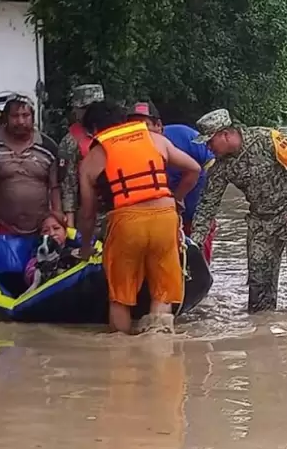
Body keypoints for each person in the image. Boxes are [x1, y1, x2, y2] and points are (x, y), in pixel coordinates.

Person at [76, 101, 201, 334]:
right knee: (163, 290)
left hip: (126, 222)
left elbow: (88, 212)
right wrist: (175, 198)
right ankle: (160, 350)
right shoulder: (155, 139)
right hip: (165, 218)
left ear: (93, 130)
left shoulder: (92, 159)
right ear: (123, 121)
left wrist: (85, 248)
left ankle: (123, 356)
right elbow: (194, 168)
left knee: (120, 297)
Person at [190, 108, 287, 313]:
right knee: (259, 284)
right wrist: (194, 243)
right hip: (261, 221)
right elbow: (207, 206)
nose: (208, 147)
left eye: (210, 141)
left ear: (225, 134)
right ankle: (261, 333)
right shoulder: (220, 168)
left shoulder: (267, 139)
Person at [126, 101, 218, 262]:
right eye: (132, 127)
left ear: (158, 126)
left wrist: (185, 197)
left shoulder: (183, 135)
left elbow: (211, 164)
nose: (139, 132)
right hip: (159, 217)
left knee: (198, 257)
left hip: (195, 211)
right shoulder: (126, 150)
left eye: (145, 125)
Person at [0, 94, 62, 235]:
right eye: (15, 116)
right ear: (6, 118)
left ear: (33, 117)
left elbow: (55, 187)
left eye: (25, 115)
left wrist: (56, 218)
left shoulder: (48, 147)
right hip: (3, 229)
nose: (21, 121)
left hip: (41, 230)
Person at [58, 84, 106, 230]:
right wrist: (70, 226)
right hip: (88, 216)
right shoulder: (70, 141)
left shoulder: (113, 131)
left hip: (116, 212)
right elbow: (68, 187)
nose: (90, 113)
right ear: (76, 110)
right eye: (85, 108)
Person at [23, 211, 71, 287]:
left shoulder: (74, 252)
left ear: (65, 233)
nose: (52, 233)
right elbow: (29, 277)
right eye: (45, 231)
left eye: (56, 228)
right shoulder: (35, 261)